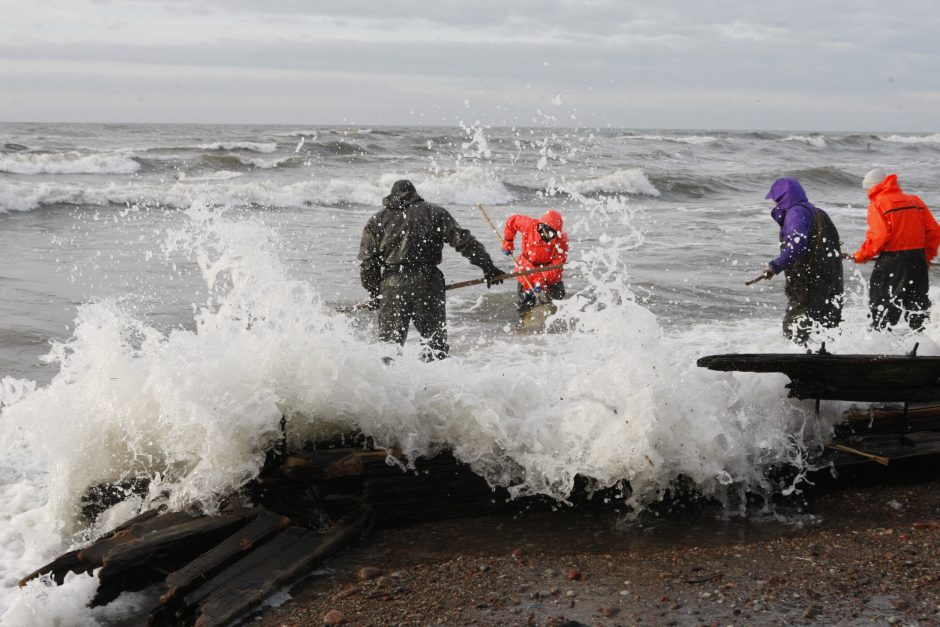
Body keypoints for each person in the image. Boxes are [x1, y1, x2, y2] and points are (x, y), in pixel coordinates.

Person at [358, 180, 505, 360]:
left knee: (389, 348)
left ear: (391, 196)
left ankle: (387, 387)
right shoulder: (435, 213)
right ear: (415, 194)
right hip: (427, 282)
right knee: (435, 348)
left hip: (392, 284)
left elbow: (367, 263)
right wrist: (488, 268)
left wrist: (375, 292)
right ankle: (437, 387)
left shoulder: (377, 220)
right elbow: (465, 243)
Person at [750, 178, 843, 344]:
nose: (774, 203)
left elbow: (796, 246)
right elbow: (833, 244)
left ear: (783, 198)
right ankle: (828, 359)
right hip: (833, 277)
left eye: (776, 199)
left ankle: (795, 360)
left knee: (795, 325)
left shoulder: (795, 213)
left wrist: (773, 267)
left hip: (809, 279)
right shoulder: (819, 213)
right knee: (827, 325)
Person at [849, 168, 940, 331]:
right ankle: (921, 347)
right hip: (918, 259)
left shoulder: (878, 204)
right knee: (917, 307)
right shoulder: (915, 201)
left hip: (892, 261)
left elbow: (880, 237)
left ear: (872, 187)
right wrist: (926, 257)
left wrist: (861, 255)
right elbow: (934, 231)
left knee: (882, 307)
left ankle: (880, 347)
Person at [501, 210, 568, 317]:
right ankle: (523, 321)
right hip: (527, 267)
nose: (550, 237)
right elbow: (511, 221)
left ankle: (557, 318)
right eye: (549, 233)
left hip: (549, 270)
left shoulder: (561, 240)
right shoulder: (529, 225)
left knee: (559, 298)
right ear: (542, 227)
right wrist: (508, 242)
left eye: (553, 234)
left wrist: (541, 280)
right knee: (526, 302)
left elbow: (557, 266)